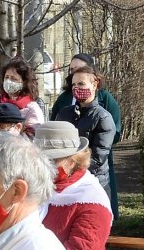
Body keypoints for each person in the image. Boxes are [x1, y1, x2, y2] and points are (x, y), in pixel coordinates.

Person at [37, 120, 112, 250]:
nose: (44, 166)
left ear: (73, 160)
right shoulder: (37, 188)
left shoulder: (91, 198)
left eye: (52, 160)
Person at [49, 65, 116, 205]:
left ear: (94, 84)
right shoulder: (64, 113)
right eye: (73, 85)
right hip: (64, 183)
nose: (76, 88)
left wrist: (69, 168)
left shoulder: (103, 118)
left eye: (81, 84)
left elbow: (97, 159)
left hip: (94, 184)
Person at [0, 59, 45, 137]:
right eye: (6, 77)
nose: (8, 81)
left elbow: (34, 139)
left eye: (13, 78)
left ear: (24, 82)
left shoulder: (32, 110)